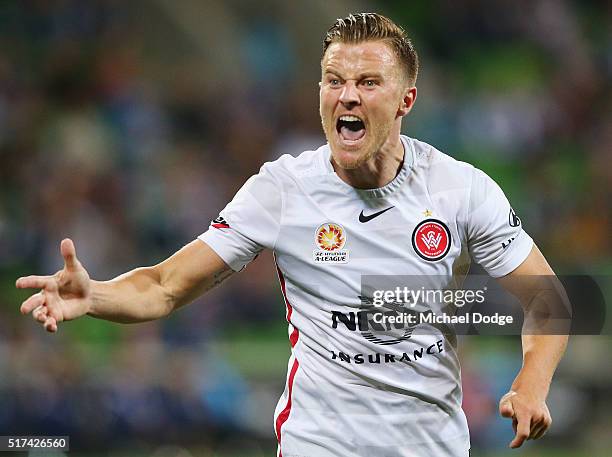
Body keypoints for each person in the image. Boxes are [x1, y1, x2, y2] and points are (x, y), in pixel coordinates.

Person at [16, 12, 568, 457]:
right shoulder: (283, 189)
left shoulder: (461, 190)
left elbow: (551, 300)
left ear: (406, 101)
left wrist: (532, 382)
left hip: (432, 445)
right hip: (316, 443)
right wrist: (98, 296)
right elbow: (165, 286)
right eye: (335, 80)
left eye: (368, 83)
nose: (347, 96)